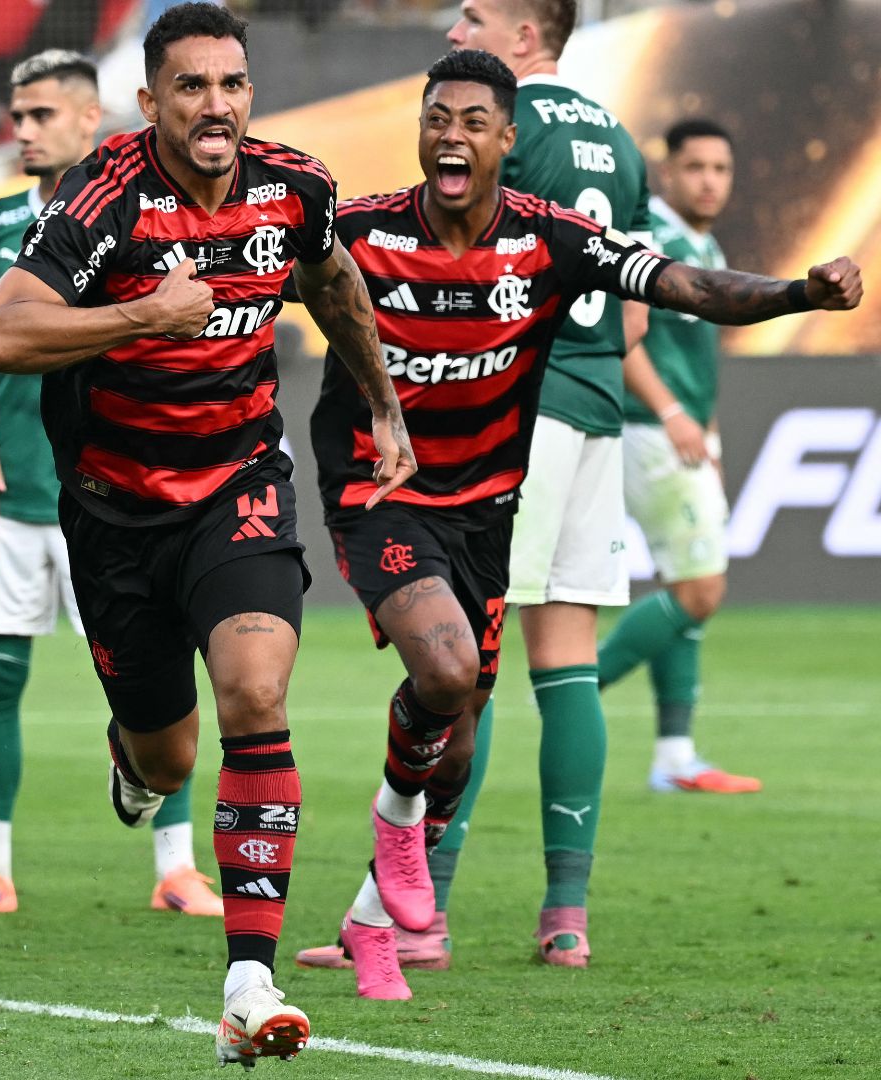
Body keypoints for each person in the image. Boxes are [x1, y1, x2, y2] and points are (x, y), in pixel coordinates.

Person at [294, 52, 862, 1001]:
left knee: (459, 731)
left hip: (485, 511)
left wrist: (799, 294)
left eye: (474, 121)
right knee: (444, 672)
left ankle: (370, 919)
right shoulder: (358, 233)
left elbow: (683, 285)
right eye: (437, 117)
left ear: (506, 144)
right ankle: (404, 850)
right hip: (380, 491)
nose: (451, 135)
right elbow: (239, 287)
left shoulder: (553, 237)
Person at [0, 3, 417, 1065]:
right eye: (190, 87)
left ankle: (247, 981)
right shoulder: (103, 196)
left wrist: (386, 408)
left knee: (257, 692)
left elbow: (335, 285)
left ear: (249, 92)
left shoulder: (294, 185)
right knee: (167, 755)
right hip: (116, 512)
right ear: (150, 102)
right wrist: (140, 316)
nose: (214, 106)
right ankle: (135, 766)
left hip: (239, 484)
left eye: (230, 84)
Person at [0, 49, 220, 921]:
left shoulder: (146, 214)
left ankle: (178, 867)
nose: (22, 130)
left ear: (91, 119)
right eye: (15, 117)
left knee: (169, 681)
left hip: (128, 491)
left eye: (40, 115)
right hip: (16, 493)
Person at [441, 0, 652, 967]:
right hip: (601, 402)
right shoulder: (618, 138)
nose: (455, 32)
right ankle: (565, 914)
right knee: (565, 663)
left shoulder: (498, 130)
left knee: (460, 667)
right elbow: (639, 318)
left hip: (522, 416)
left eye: (475, 16)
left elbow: (458, 275)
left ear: (525, 37)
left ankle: (419, 911)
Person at [596, 119, 759, 794]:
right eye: (696, 168)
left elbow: (699, 358)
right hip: (647, 428)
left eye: (721, 169)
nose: (710, 181)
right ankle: (572, 686)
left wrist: (708, 431)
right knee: (700, 590)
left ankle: (675, 756)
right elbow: (625, 340)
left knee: (683, 583)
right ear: (669, 172)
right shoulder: (652, 244)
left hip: (686, 432)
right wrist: (671, 413)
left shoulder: (707, 247)